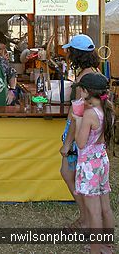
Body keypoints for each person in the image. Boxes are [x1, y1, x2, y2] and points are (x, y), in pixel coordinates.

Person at [60, 33, 100, 229]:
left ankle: (86, 220)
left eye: (70, 51)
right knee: (76, 175)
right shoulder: (95, 73)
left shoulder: (83, 80)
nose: (68, 54)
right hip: (92, 132)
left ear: (76, 54)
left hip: (78, 131)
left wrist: (67, 143)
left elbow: (77, 116)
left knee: (69, 174)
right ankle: (86, 218)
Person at [72, 73, 115, 254]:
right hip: (102, 161)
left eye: (81, 89)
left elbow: (81, 143)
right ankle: (107, 245)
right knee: (105, 206)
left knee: (94, 211)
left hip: (89, 165)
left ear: (86, 92)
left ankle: (95, 250)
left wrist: (78, 120)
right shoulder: (109, 109)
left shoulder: (89, 114)